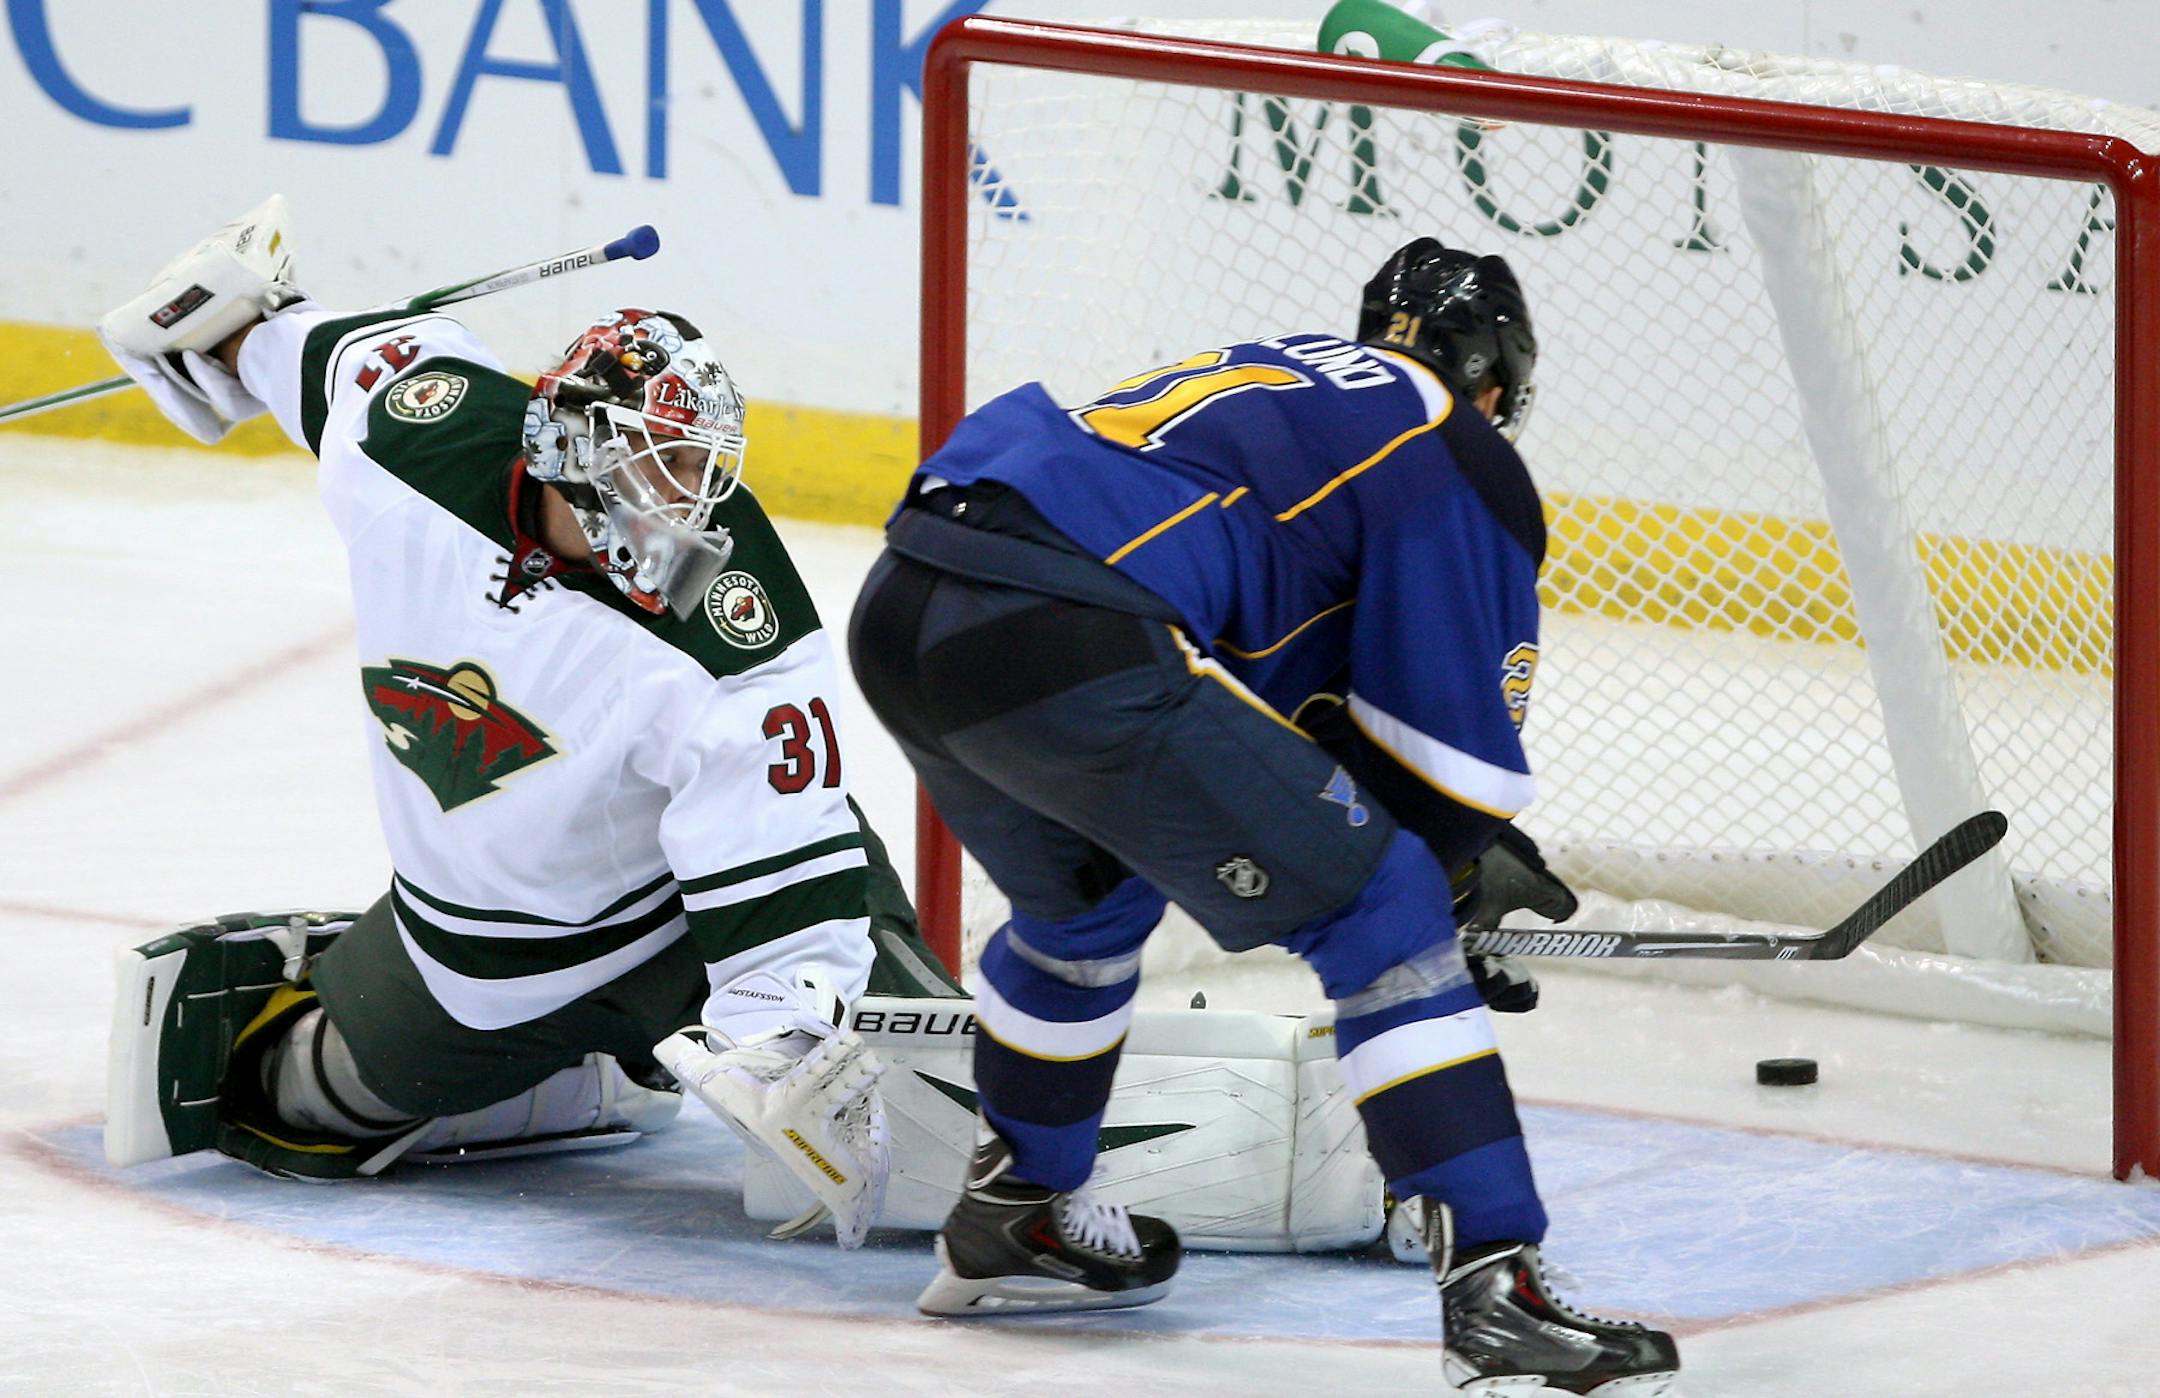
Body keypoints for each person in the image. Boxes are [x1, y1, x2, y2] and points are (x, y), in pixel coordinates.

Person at [849, 238, 1679, 1390]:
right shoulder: (1454, 445)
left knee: (1085, 909)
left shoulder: (1290, 384)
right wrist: (1443, 880)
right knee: (1384, 912)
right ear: (1495, 384)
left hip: (906, 602)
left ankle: (1017, 1212)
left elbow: (1267, 700)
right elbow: (1443, 771)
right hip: (1069, 635)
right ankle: (1498, 1287)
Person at [97, 197, 957, 1249]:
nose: (689, 501)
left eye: (700, 465)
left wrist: (782, 1041)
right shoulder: (410, 434)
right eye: (658, 462)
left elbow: (787, 853)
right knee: (289, 1099)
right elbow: (324, 355)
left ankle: (1037, 1139)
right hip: (486, 953)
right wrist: (231, 324)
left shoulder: (731, 625)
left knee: (942, 1131)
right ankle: (554, 1067)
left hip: (697, 922)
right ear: (568, 449)